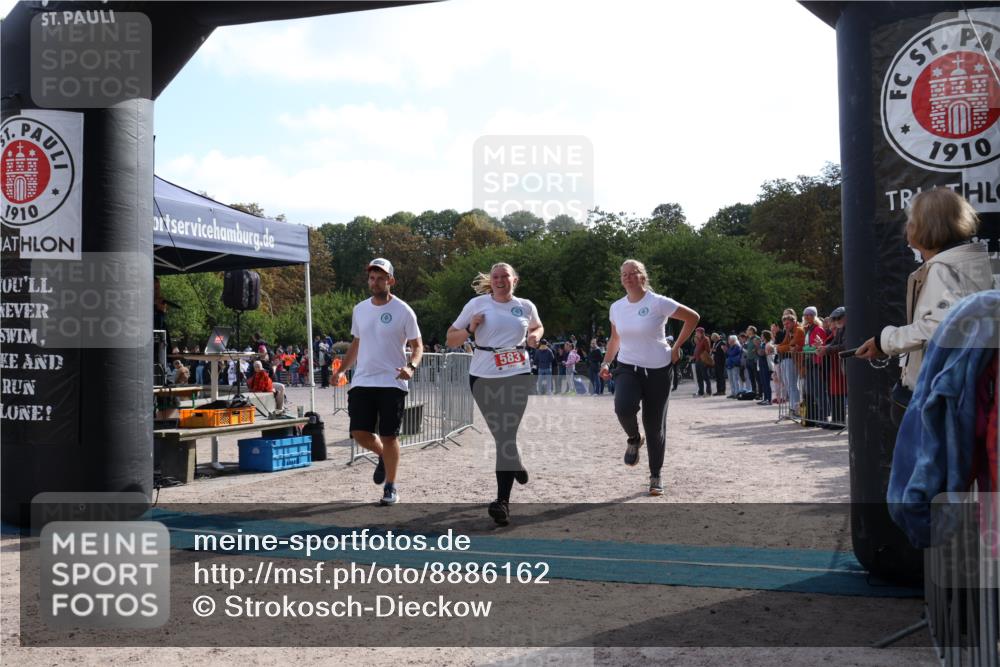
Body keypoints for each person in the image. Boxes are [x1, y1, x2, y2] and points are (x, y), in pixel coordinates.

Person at [857, 188, 993, 422]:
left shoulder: (943, 270)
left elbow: (940, 327)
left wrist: (885, 341)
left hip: (939, 396)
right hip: (964, 391)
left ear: (925, 226)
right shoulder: (973, 266)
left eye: (911, 221)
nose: (906, 228)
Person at [446, 262, 543, 524]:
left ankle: (502, 502)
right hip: (483, 376)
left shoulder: (525, 306)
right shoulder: (476, 305)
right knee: (502, 435)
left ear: (515, 280)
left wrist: (534, 336)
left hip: (517, 373)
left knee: (505, 434)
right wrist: (470, 329)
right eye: (496, 277)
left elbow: (537, 326)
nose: (500, 280)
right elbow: (450, 339)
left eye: (505, 276)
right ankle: (515, 462)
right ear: (491, 280)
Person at [599, 259, 699, 496]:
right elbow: (615, 339)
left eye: (632, 273)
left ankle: (655, 475)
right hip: (627, 366)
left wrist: (676, 347)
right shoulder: (616, 307)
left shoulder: (658, 302)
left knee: (654, 427)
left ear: (642, 277)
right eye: (624, 274)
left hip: (658, 369)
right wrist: (606, 362)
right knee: (623, 408)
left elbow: (693, 318)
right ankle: (634, 438)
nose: (627, 277)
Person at [333, 258, 423, 506]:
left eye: (381, 278)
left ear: (390, 280)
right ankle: (384, 455)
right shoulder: (360, 309)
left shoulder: (403, 310)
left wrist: (411, 366)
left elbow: (418, 346)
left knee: (389, 435)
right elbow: (357, 342)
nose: (375, 282)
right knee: (359, 433)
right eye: (372, 278)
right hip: (363, 380)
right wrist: (341, 370)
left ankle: (390, 486)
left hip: (392, 381)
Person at [818, 306, 847, 428]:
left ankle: (840, 421)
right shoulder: (841, 329)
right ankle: (836, 420)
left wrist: (826, 349)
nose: (836, 321)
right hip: (840, 366)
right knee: (835, 394)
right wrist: (824, 348)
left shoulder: (849, 329)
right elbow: (834, 344)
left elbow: (845, 345)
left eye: (838, 318)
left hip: (846, 365)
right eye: (834, 319)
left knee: (840, 394)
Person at [800, 306, 828, 427]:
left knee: (819, 391)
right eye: (805, 315)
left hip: (817, 363)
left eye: (810, 315)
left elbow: (819, 346)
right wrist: (807, 348)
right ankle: (816, 417)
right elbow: (808, 346)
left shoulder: (818, 329)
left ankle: (823, 417)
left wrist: (805, 349)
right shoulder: (808, 329)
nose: (807, 317)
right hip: (809, 363)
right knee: (811, 391)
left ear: (814, 316)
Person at [776, 310, 804, 416]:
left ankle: (795, 410)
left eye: (787, 323)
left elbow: (791, 345)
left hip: (796, 360)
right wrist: (780, 347)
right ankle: (793, 409)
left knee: (793, 386)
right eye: (784, 324)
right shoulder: (790, 331)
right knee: (789, 386)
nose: (785, 326)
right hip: (791, 359)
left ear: (794, 321)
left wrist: (778, 348)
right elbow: (785, 344)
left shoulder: (798, 330)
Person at [691, 327, 711, 397]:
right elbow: (698, 350)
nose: (696, 334)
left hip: (703, 360)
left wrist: (703, 358)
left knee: (705, 376)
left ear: (701, 333)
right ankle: (701, 392)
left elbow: (707, 350)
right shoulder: (698, 340)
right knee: (699, 377)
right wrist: (694, 356)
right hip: (697, 360)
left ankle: (708, 392)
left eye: (697, 332)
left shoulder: (705, 339)